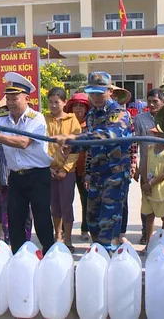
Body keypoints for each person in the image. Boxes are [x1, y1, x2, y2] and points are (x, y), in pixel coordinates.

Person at [52, 71, 132, 254]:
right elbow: (90, 144)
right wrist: (72, 147)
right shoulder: (92, 115)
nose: (95, 97)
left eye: (100, 92)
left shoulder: (119, 113)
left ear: (110, 91)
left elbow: (109, 136)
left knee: (109, 222)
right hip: (96, 175)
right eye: (92, 92)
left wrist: (74, 138)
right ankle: (97, 256)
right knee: (93, 220)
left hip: (115, 175)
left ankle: (107, 258)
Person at [0, 72, 55, 254]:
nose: (10, 103)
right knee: (15, 219)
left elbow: (23, 142)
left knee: (42, 217)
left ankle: (50, 254)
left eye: (15, 99)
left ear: (27, 98)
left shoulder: (37, 119)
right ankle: (19, 256)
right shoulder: (3, 120)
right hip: (16, 178)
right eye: (8, 99)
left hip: (38, 175)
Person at [134, 88, 164, 242]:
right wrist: (136, 166)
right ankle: (146, 234)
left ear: (163, 102)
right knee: (146, 202)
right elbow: (135, 143)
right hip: (146, 167)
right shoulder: (140, 119)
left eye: (155, 101)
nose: (152, 104)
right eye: (149, 101)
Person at [0, 97, 33, 244]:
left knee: (26, 211)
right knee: (6, 210)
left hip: (23, 174)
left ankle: (26, 240)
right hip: (4, 176)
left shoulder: (25, 125)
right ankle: (8, 240)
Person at [45, 87, 81, 252]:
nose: (53, 106)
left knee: (66, 204)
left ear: (64, 102)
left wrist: (65, 169)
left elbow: (76, 148)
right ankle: (57, 234)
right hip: (49, 170)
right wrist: (48, 167)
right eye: (50, 102)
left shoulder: (72, 120)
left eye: (56, 102)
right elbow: (41, 146)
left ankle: (68, 238)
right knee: (54, 204)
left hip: (68, 171)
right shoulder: (44, 119)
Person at [140, 127, 164, 247]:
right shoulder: (151, 148)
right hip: (148, 187)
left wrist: (151, 183)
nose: (157, 138)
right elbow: (145, 166)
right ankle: (149, 244)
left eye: (159, 135)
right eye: (155, 135)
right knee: (149, 216)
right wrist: (145, 183)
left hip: (161, 187)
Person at [64, 92, 92, 241]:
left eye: (82, 105)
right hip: (67, 167)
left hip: (84, 168)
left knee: (86, 200)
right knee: (66, 200)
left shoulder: (90, 124)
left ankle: (85, 229)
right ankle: (64, 229)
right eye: (76, 105)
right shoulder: (66, 122)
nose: (79, 108)